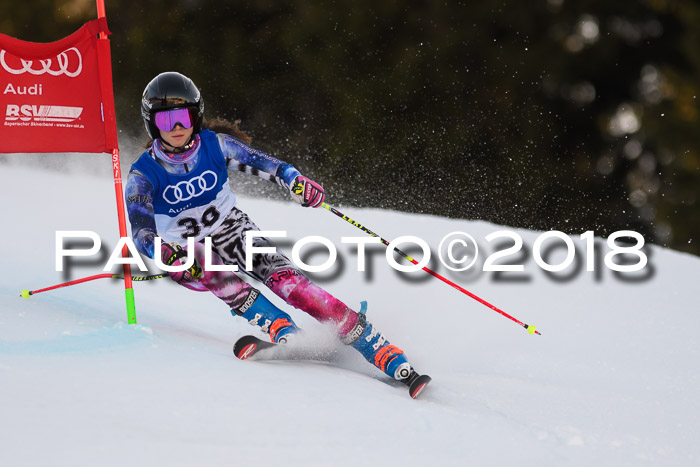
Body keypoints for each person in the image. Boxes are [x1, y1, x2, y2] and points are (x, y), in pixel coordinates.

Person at [126, 71, 414, 381]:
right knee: (203, 260)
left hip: (232, 228)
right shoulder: (142, 175)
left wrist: (296, 182)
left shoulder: (217, 146)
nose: (178, 127)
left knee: (288, 282)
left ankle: (372, 343)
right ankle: (279, 326)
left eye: (183, 117)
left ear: (196, 116)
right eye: (167, 121)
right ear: (152, 124)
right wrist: (163, 250)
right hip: (184, 252)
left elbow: (273, 167)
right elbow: (141, 232)